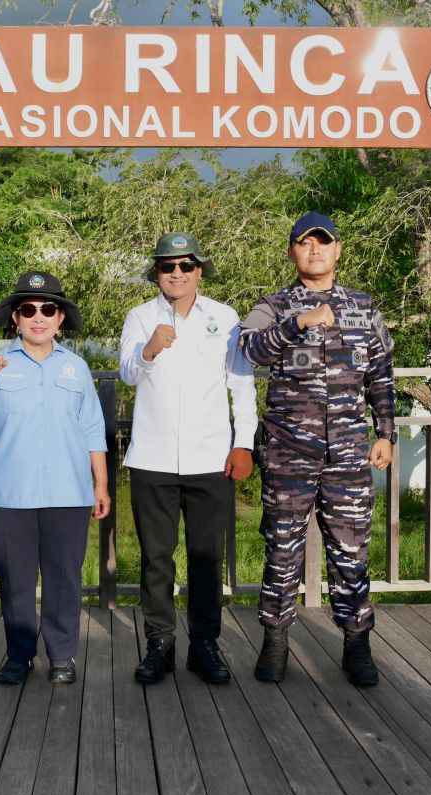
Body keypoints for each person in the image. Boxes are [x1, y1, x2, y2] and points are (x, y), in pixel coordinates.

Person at [239, 212, 396, 687]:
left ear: (337, 250)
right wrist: (297, 324)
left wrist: (386, 431)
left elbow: (382, 374)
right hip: (289, 454)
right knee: (282, 549)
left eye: (323, 243)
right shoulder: (273, 305)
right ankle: (275, 640)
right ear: (292, 251)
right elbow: (249, 350)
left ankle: (357, 643)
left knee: (351, 553)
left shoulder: (365, 307)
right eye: (304, 243)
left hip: (348, 455)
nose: (314, 250)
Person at [0, 271, 110, 685]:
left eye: (48, 309)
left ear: (60, 318)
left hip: (69, 492)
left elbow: (93, 429)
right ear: (16, 318)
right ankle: (18, 655)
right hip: (9, 494)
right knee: (16, 582)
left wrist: (101, 484)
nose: (38, 317)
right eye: (28, 310)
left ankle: (62, 656)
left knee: (64, 580)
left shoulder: (77, 369)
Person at [119, 233, 257, 685]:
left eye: (185, 265)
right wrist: (150, 349)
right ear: (156, 273)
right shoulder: (140, 318)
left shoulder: (225, 317)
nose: (175, 273)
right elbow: (127, 372)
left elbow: (241, 385)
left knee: (205, 556)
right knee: (156, 558)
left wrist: (245, 443)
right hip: (153, 457)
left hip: (210, 458)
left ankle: (204, 644)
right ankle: (160, 643)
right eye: (166, 266)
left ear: (199, 271)